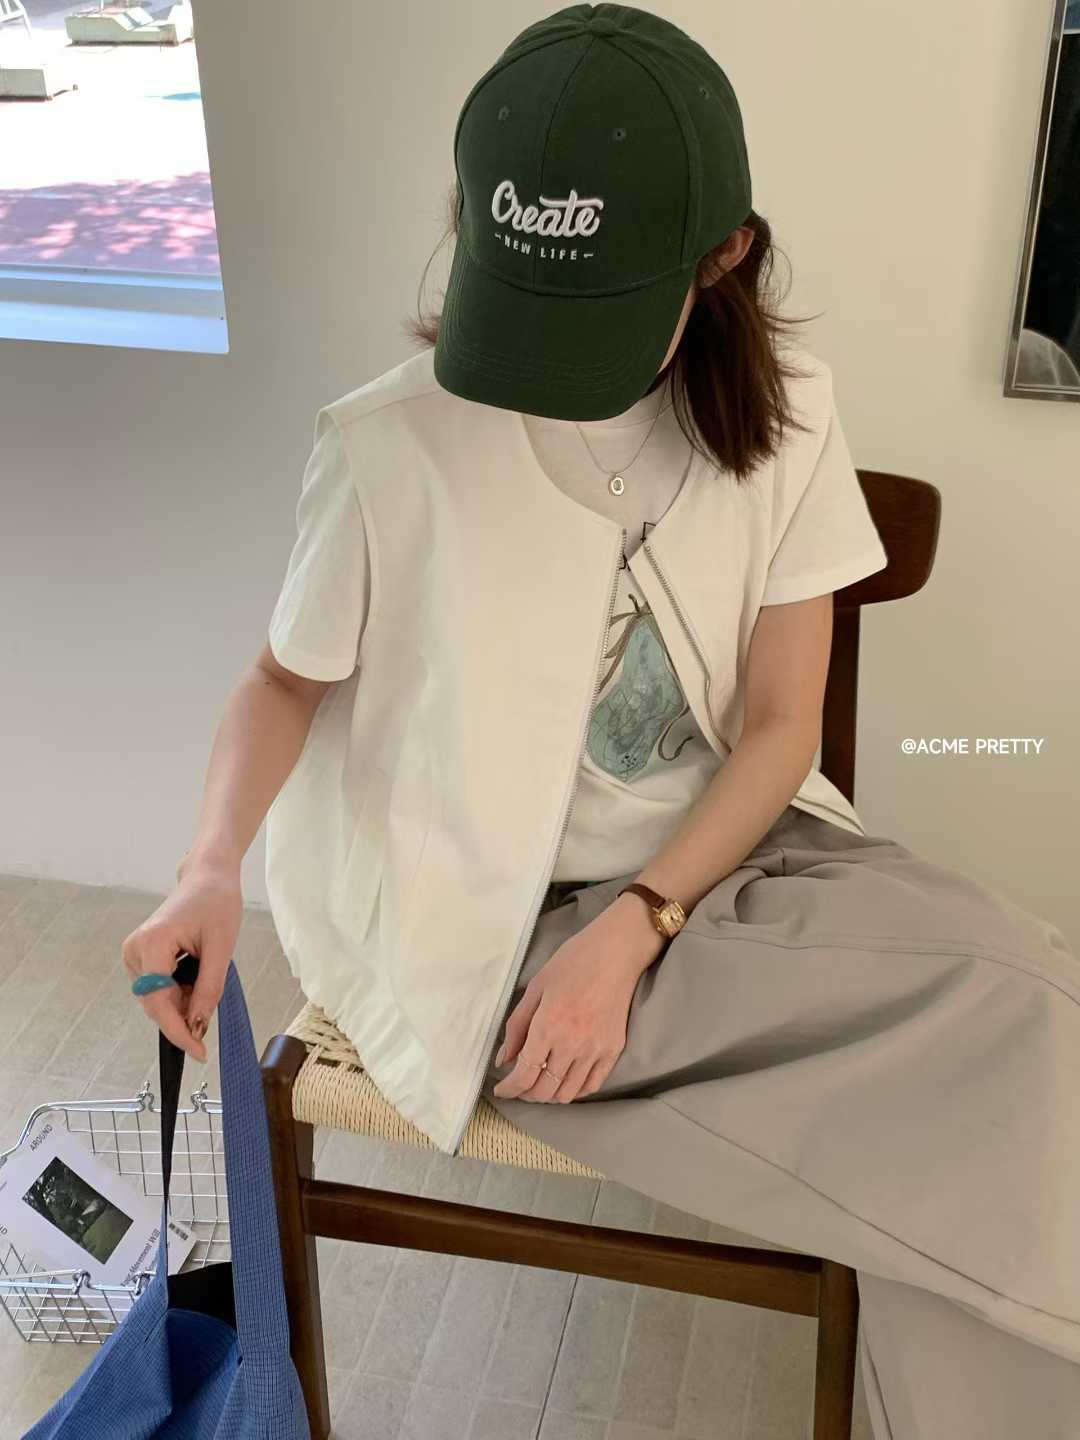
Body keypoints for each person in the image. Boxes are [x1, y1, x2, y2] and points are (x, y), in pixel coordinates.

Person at [120, 5, 1080, 1436]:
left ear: (726, 254)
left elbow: (782, 728)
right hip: (495, 915)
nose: (550, 363)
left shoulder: (790, 414)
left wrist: (644, 921)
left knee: (1023, 994)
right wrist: (207, 866)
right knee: (1004, 1084)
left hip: (719, 864)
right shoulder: (390, 440)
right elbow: (283, 681)